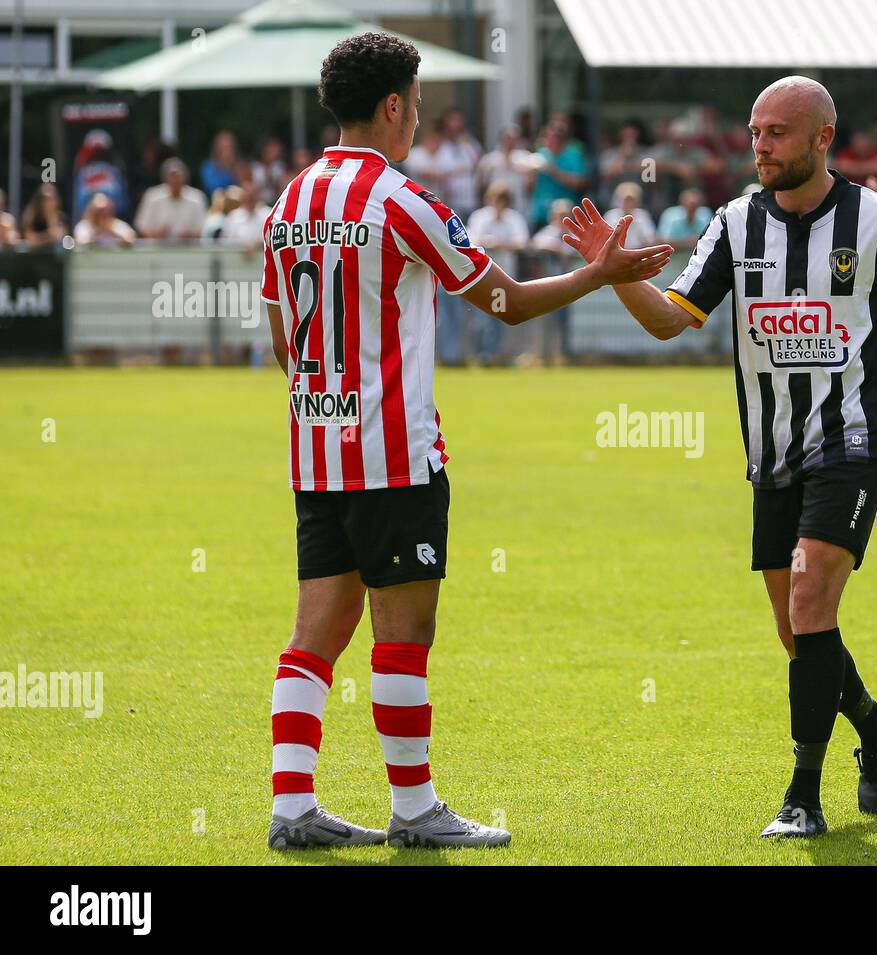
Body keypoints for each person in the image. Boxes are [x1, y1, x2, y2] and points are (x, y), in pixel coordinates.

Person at [562, 76, 877, 839]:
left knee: (808, 597)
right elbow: (672, 320)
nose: (760, 146)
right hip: (773, 451)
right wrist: (615, 272)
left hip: (852, 440)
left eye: (778, 133)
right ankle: (875, 720)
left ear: (823, 138)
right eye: (756, 132)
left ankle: (802, 794)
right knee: (798, 631)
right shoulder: (733, 223)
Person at [260, 32, 672, 851]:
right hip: (397, 457)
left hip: (318, 451)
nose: (418, 118)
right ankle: (414, 811)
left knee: (314, 636)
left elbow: (283, 341)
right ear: (392, 105)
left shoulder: (289, 202)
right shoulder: (402, 200)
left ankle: (293, 807)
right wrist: (602, 273)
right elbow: (506, 303)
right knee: (402, 637)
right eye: (416, 103)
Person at [465, 180, 531, 362]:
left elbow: (522, 242)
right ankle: (481, 352)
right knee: (481, 317)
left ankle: (492, 354)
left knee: (498, 314)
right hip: (480, 276)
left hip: (503, 277)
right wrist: (496, 242)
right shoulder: (480, 217)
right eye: (495, 200)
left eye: (502, 201)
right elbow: (473, 241)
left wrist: (499, 243)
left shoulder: (514, 218)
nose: (498, 205)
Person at [530, 199, 583, 363]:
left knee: (565, 323)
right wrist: (557, 248)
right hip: (546, 287)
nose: (561, 219)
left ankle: (562, 356)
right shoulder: (547, 232)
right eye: (559, 215)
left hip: (570, 288)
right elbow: (536, 244)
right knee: (544, 322)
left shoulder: (575, 234)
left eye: (565, 216)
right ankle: (541, 355)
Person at [135, 158, 207, 240]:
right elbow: (140, 227)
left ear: (185, 178)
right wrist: (157, 234)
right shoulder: (152, 196)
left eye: (178, 177)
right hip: (156, 250)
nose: (175, 181)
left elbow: (204, 229)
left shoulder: (197, 198)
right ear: (165, 178)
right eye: (172, 177)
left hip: (188, 250)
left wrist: (189, 235)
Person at [603, 181, 657, 249]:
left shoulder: (643, 216)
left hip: (638, 253)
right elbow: (606, 240)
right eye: (626, 200)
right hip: (616, 253)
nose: (629, 204)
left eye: (631, 201)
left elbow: (650, 240)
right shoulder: (610, 215)